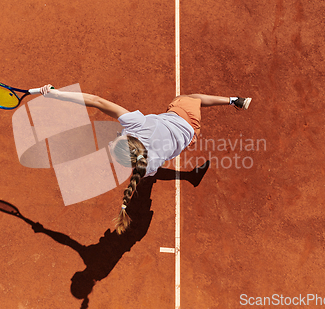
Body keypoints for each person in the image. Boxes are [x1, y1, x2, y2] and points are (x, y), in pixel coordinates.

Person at [38, 84, 251, 234]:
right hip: (187, 120)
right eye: (115, 141)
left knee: (153, 175)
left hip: (187, 141)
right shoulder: (136, 124)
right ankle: (235, 101)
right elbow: (96, 101)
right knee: (188, 98)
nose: (112, 141)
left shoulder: (147, 165)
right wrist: (57, 95)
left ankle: (189, 177)